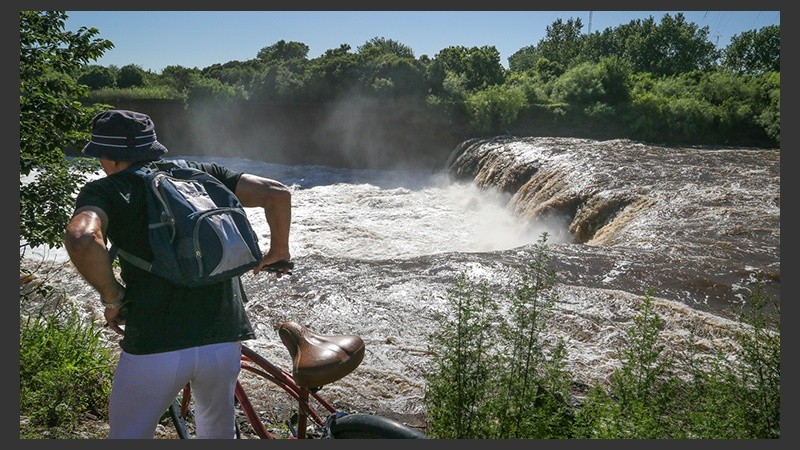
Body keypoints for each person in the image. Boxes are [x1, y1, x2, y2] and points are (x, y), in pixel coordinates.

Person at [63, 109, 292, 439]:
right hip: (224, 336)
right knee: (217, 431)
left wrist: (112, 297)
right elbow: (277, 194)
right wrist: (278, 252)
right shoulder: (199, 173)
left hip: (156, 342)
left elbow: (82, 238)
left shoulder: (107, 191)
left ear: (110, 158)